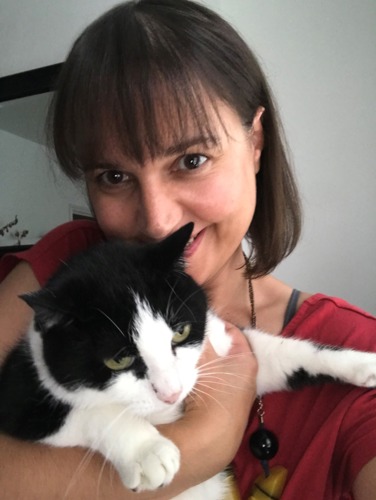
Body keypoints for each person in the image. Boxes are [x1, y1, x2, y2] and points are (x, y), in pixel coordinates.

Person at [0, 1, 375, 498]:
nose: (157, 220)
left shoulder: (355, 346)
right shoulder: (68, 271)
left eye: (191, 159)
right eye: (114, 176)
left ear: (256, 141)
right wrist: (202, 444)